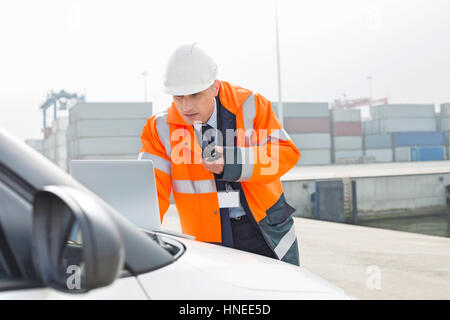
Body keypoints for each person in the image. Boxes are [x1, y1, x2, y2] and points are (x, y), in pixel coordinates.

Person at [139, 43, 301, 265]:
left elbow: (285, 153)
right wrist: (133, 233)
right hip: (208, 240)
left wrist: (233, 160)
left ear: (215, 87)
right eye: (178, 97)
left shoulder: (252, 106)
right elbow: (150, 190)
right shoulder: (160, 129)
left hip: (266, 231)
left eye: (195, 95)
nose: (186, 106)